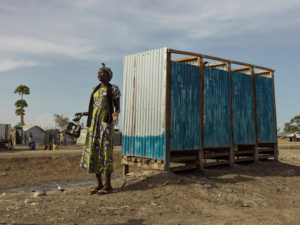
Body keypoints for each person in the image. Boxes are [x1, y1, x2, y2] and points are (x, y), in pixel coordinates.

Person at [74, 63, 121, 195]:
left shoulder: (114, 89)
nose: (98, 75)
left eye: (101, 73)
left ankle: (109, 185)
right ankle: (99, 184)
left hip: (105, 125)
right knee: (94, 153)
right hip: (93, 126)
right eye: (98, 73)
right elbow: (94, 109)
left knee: (105, 153)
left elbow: (117, 107)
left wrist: (115, 113)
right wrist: (82, 114)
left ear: (108, 76)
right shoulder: (95, 90)